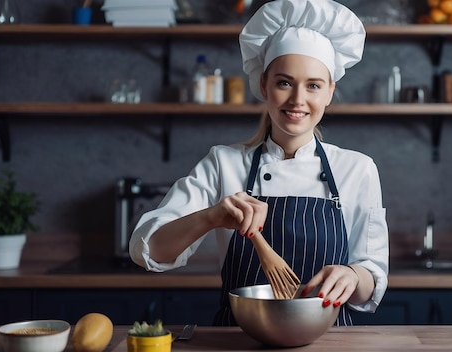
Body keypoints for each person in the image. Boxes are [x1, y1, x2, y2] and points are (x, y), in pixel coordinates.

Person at [129, 0, 389, 326]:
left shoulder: (357, 169)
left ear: (329, 92)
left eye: (313, 85)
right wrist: (211, 217)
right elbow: (149, 251)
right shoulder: (223, 164)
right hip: (238, 338)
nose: (298, 99)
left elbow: (372, 276)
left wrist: (353, 275)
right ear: (264, 85)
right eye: (284, 82)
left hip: (329, 340)